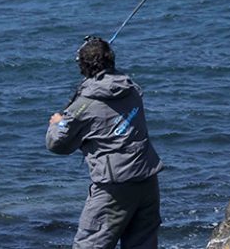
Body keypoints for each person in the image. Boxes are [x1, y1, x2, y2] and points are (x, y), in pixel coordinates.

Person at [46, 36, 164, 249]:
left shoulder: (84, 105)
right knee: (143, 243)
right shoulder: (131, 88)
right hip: (147, 178)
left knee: (90, 244)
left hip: (114, 187)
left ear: (83, 66)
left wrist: (57, 123)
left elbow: (58, 144)